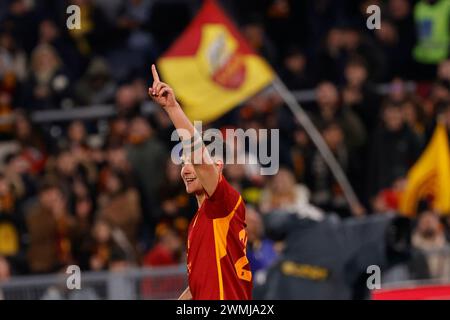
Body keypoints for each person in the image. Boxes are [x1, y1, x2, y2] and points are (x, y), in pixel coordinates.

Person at [148, 65, 252, 300]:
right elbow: (197, 288)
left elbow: (199, 157)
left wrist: (173, 108)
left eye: (192, 163)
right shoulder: (199, 220)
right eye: (183, 163)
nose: (186, 169)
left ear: (217, 167)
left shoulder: (225, 203)